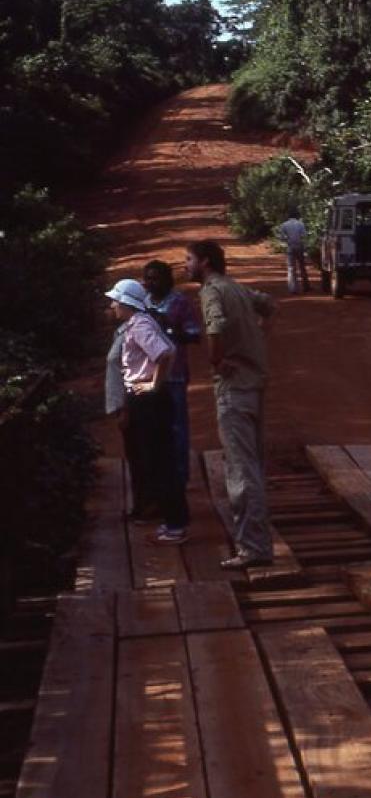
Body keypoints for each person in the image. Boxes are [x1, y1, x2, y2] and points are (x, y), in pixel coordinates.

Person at [184, 240, 274, 568]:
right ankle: (258, 543)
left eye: (189, 259)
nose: (186, 265)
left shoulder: (211, 291)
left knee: (241, 469)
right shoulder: (235, 287)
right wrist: (258, 337)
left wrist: (216, 360)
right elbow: (269, 304)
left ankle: (253, 548)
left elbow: (216, 328)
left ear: (205, 262)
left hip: (233, 388)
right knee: (252, 464)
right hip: (254, 384)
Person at [104, 278, 190, 543]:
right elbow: (170, 349)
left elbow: (163, 353)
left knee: (160, 461)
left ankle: (176, 525)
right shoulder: (139, 323)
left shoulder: (140, 325)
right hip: (146, 398)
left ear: (126, 302)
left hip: (147, 400)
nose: (113, 305)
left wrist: (154, 384)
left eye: (116, 301)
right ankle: (172, 520)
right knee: (157, 459)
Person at [142, 259, 201, 489]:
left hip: (174, 375)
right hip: (147, 376)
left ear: (168, 280)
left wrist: (169, 327)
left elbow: (194, 334)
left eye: (156, 278)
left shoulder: (180, 302)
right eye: (147, 279)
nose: (151, 283)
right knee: (151, 428)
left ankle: (180, 475)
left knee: (177, 427)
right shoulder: (143, 302)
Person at [278, 207, 312, 294]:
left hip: (290, 247)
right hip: (299, 246)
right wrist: (305, 247)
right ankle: (306, 286)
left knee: (291, 268)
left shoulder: (284, 225)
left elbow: (281, 238)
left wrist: (287, 241)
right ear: (297, 215)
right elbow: (304, 236)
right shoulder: (300, 224)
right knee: (302, 267)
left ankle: (293, 288)